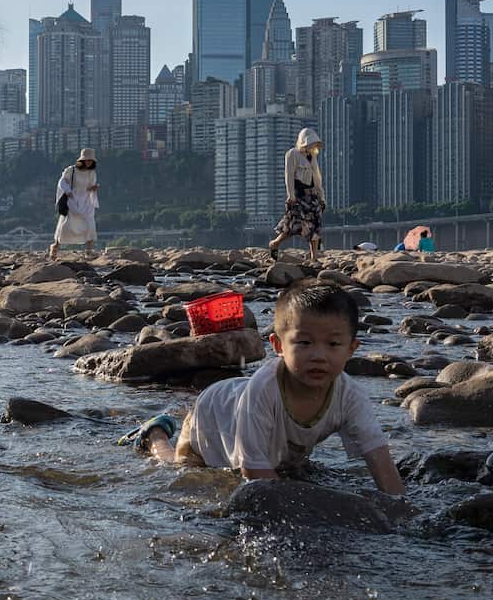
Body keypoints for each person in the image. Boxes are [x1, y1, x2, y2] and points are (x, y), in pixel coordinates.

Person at [119, 281, 404, 495]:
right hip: (214, 414)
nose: (319, 355)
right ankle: (155, 435)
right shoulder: (263, 393)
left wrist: (399, 515)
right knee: (182, 470)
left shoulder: (350, 397)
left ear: (352, 349)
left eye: (333, 344)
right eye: (304, 343)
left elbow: (380, 460)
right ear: (278, 346)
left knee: (287, 468)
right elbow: (253, 472)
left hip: (248, 417)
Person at [269, 128, 326, 261]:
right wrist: (291, 196)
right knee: (291, 226)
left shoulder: (312, 157)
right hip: (298, 196)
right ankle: (275, 244)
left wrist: (322, 198)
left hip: (312, 197)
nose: (313, 145)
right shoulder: (292, 154)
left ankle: (314, 257)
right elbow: (288, 176)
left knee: (315, 225)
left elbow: (317, 179)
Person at [49, 148, 100, 260]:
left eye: (91, 160)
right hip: (72, 201)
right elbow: (62, 181)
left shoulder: (92, 172)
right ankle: (55, 248)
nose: (89, 162)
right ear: (82, 160)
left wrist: (94, 188)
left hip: (86, 202)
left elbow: (90, 186)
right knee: (65, 224)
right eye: (87, 160)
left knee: (90, 224)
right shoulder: (71, 170)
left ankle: (89, 251)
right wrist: (68, 191)